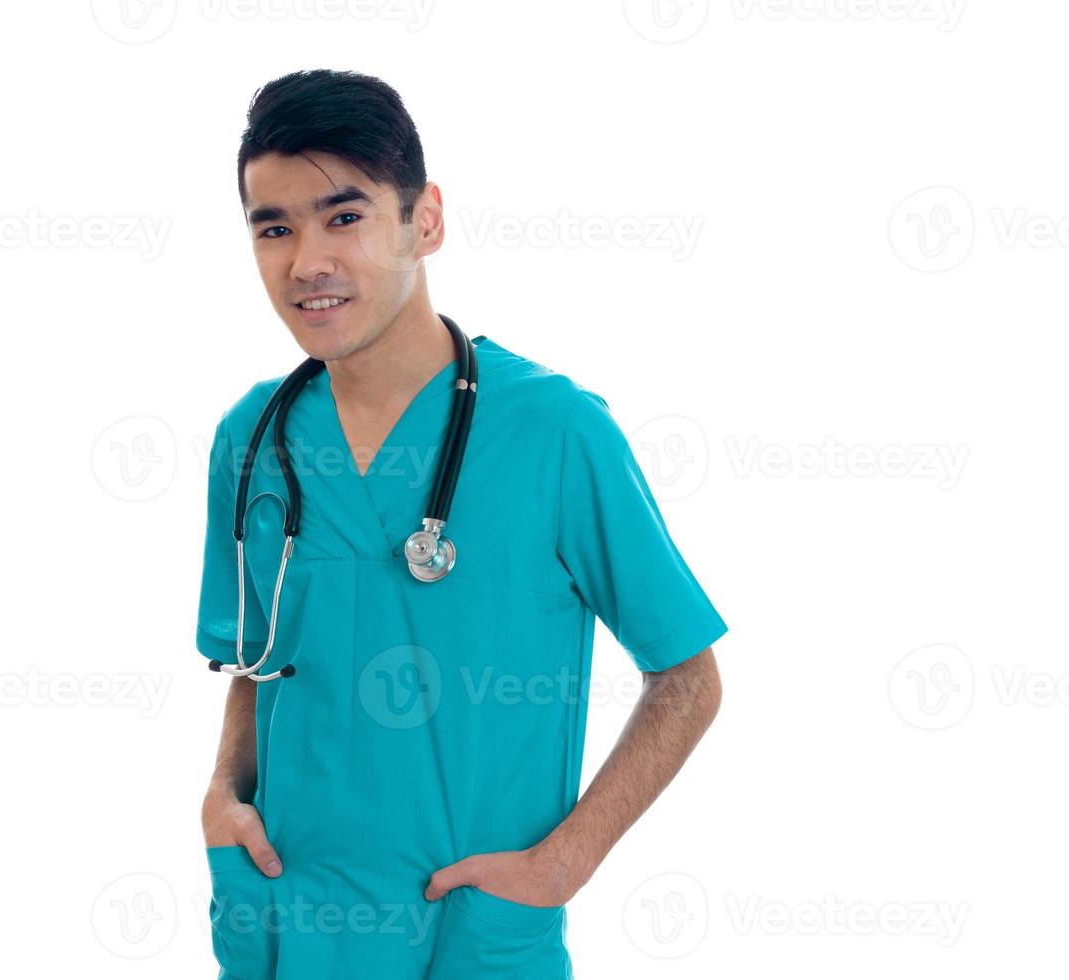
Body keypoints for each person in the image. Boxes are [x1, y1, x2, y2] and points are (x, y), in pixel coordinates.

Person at [197, 68, 728, 979]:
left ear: (425, 219)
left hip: (472, 937)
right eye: (272, 227)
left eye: (344, 215)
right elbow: (254, 656)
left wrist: (566, 862)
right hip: (288, 924)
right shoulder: (253, 439)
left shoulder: (557, 432)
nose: (306, 261)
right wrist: (223, 792)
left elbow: (687, 677)